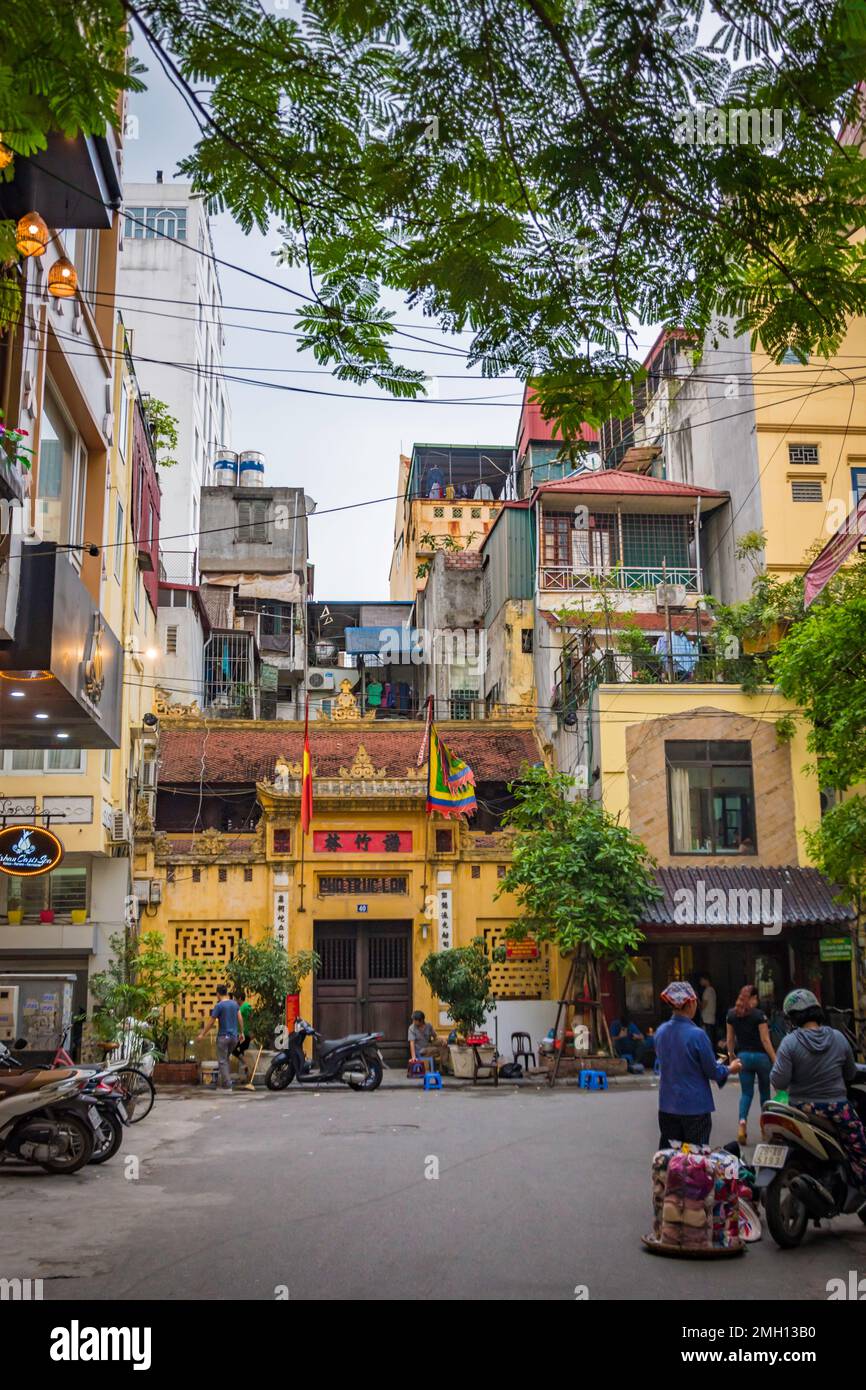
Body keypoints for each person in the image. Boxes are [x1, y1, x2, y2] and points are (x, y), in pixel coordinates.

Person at [770, 988, 866, 1186]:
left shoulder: (789, 1043)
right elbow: (850, 1073)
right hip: (837, 1110)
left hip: (801, 1109)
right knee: (861, 1150)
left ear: (793, 1018)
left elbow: (779, 1081)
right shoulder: (839, 1038)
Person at [654, 980, 741, 1150]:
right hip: (695, 1108)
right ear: (691, 1003)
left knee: (671, 1158)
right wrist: (731, 1068)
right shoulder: (697, 1035)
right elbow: (712, 1071)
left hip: (667, 1105)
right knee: (695, 1160)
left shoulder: (661, 1032)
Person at [725, 984, 776, 1145]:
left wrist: (732, 1055)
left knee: (746, 1094)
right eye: (756, 998)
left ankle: (742, 1125)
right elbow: (765, 1040)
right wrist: (775, 1059)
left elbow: (730, 1040)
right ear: (752, 998)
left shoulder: (732, 1015)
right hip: (761, 1058)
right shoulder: (759, 1015)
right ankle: (765, 1129)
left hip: (744, 1058)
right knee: (765, 1094)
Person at [197, 984, 245, 1091]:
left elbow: (211, 1022)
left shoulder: (219, 1006)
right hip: (234, 1038)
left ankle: (227, 1085)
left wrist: (202, 1034)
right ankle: (223, 1082)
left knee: (222, 1061)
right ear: (226, 992)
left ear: (218, 994)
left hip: (223, 1037)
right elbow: (240, 1018)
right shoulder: (234, 1004)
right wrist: (242, 1032)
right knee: (225, 1059)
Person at [232, 990, 254, 1077]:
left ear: (240, 998)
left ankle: (247, 1065)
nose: (234, 1000)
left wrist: (252, 1031)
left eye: (235, 999)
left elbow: (251, 1017)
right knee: (241, 1052)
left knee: (234, 1049)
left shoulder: (246, 1006)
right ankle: (247, 1073)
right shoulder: (239, 1007)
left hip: (245, 1034)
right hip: (240, 1034)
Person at [699, 973, 717, 1045]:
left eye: (701, 980)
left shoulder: (707, 991)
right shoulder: (712, 990)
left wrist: (698, 1002)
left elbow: (703, 1005)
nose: (700, 982)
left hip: (706, 1019)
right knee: (710, 1039)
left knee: (707, 1040)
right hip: (711, 1018)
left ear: (705, 980)